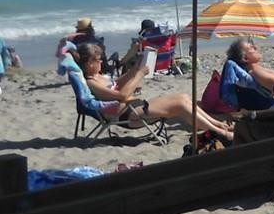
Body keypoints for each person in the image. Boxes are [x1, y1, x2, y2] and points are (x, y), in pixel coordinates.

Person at [76, 42, 234, 140]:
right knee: (180, 105)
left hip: (134, 107)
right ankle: (219, 132)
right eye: (98, 60)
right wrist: (140, 74)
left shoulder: (99, 77)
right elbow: (122, 95)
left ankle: (218, 124)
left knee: (183, 97)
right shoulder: (91, 83)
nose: (101, 62)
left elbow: (117, 83)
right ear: (89, 63)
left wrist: (136, 67)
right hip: (127, 115)